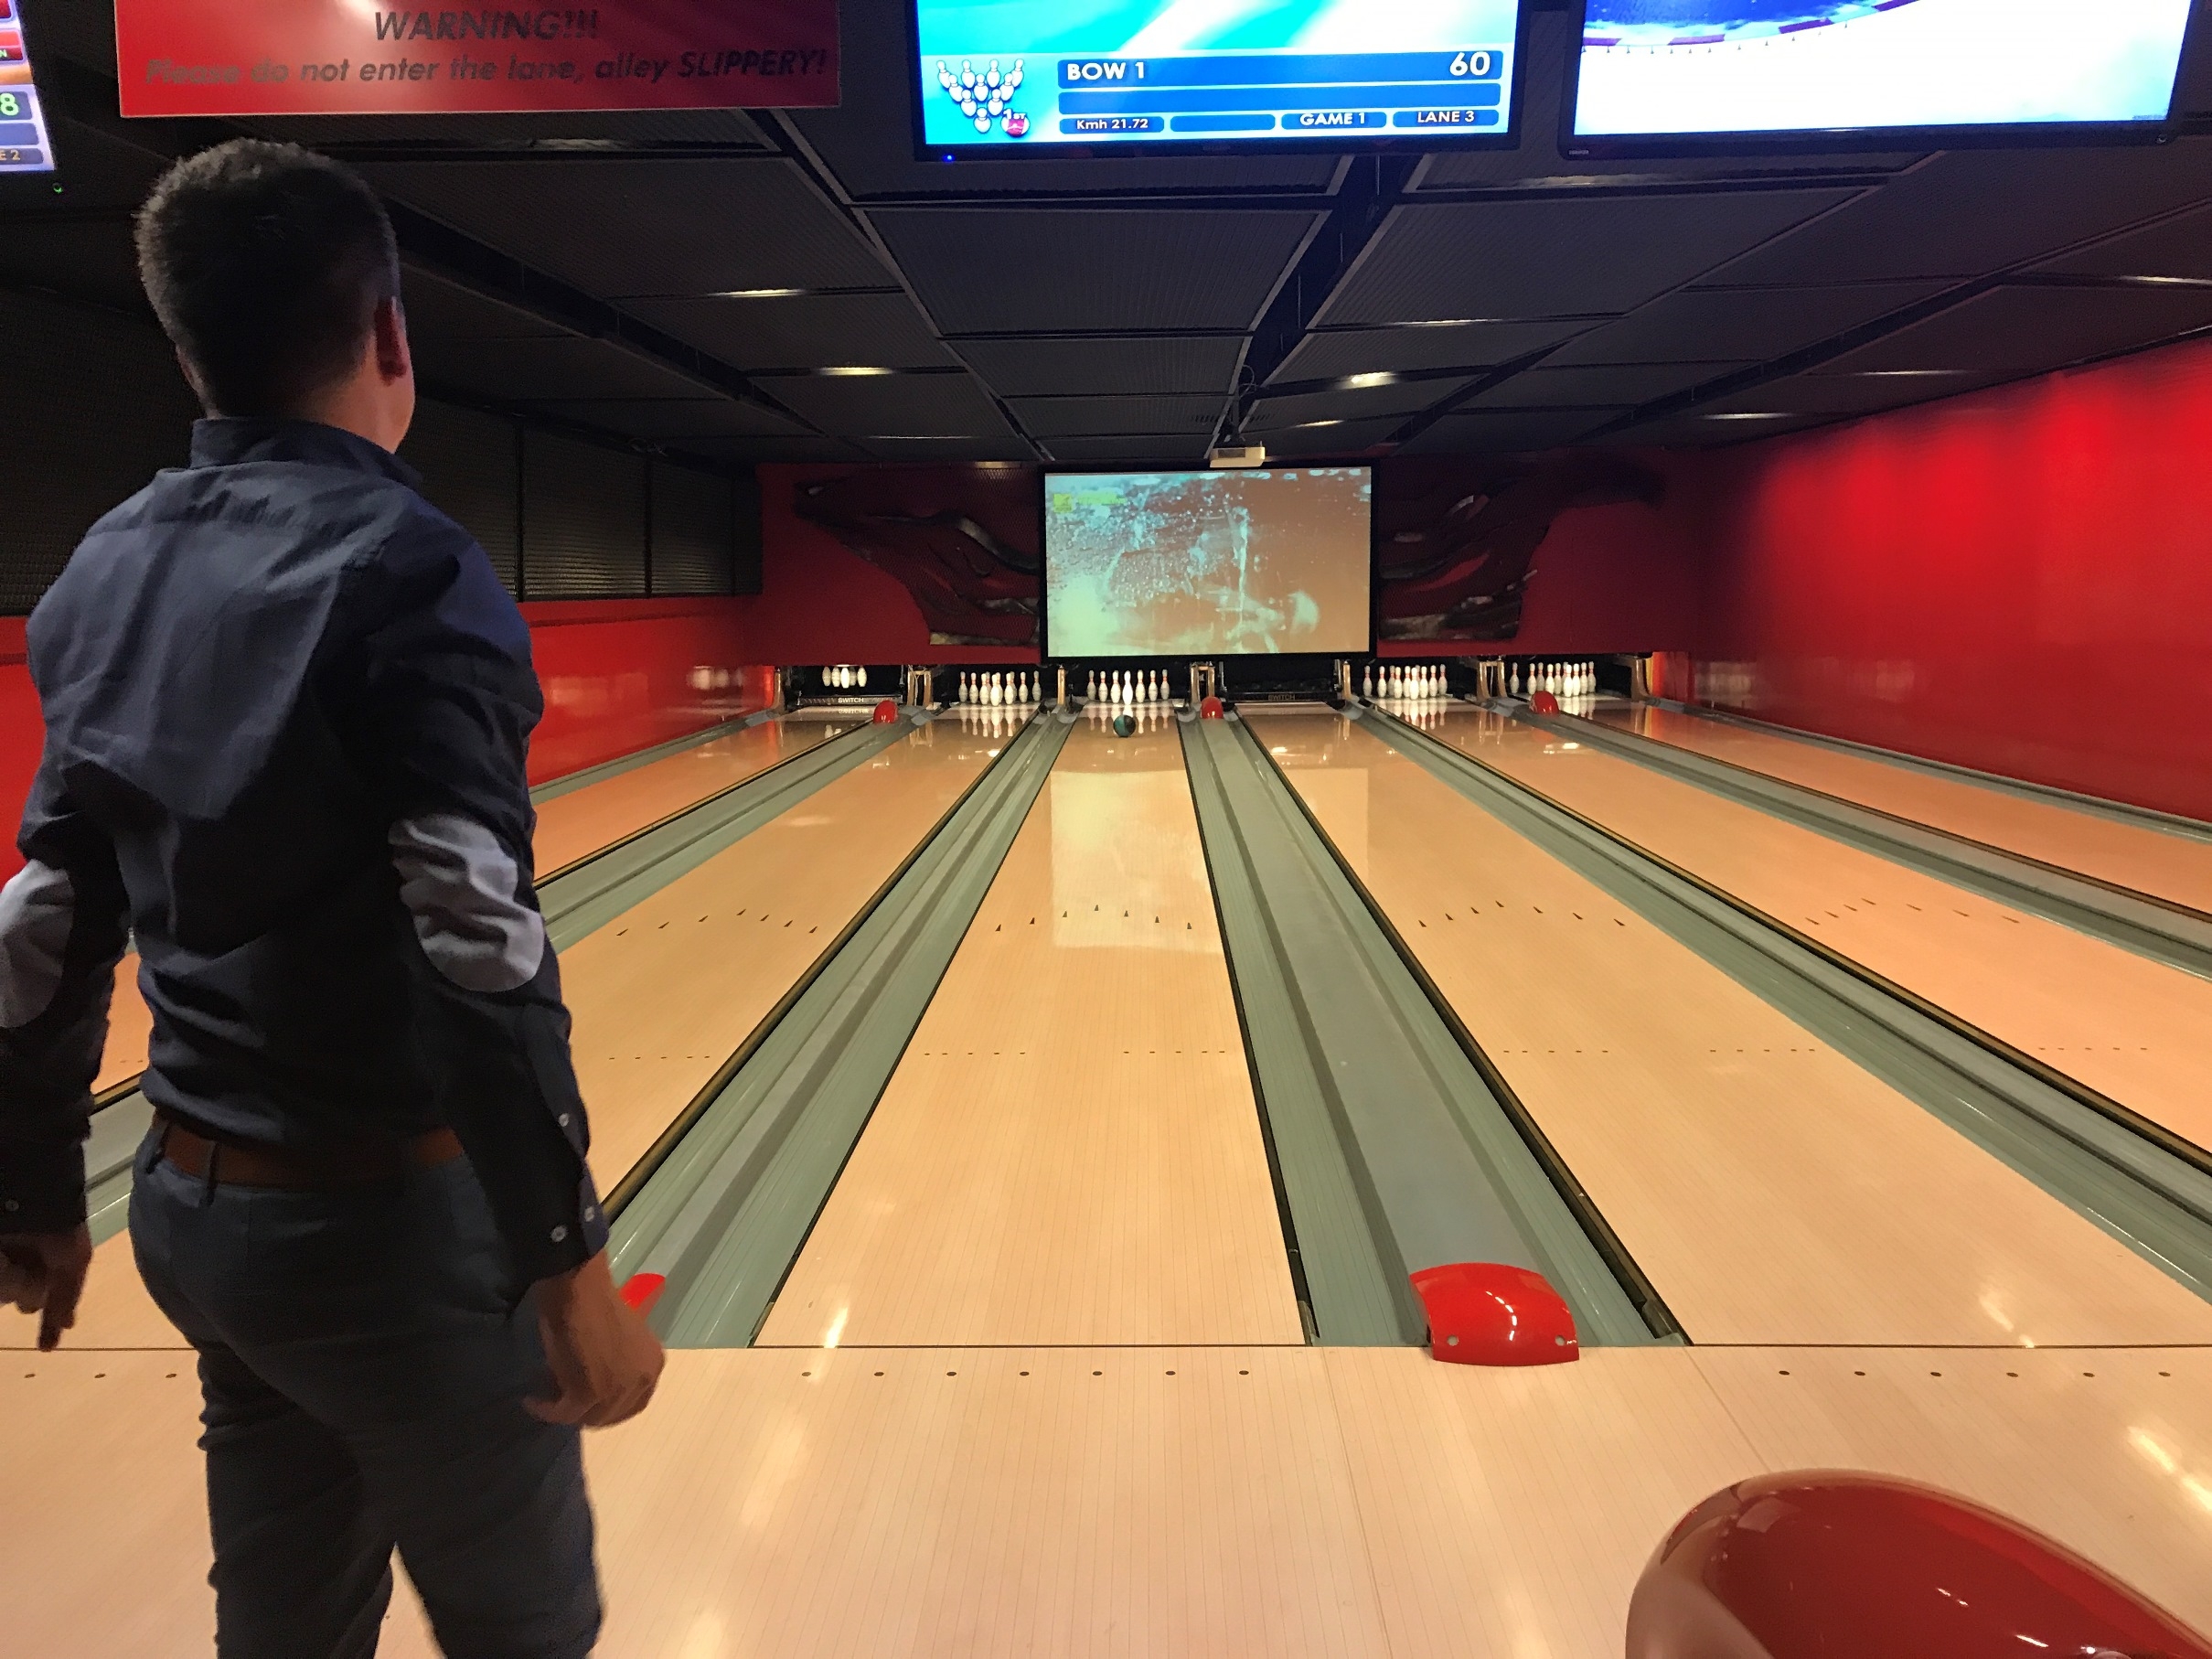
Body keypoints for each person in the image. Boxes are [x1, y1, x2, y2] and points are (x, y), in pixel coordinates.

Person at [0, 139, 662, 1657]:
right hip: (390, 1235)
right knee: (525, 1627)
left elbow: (45, 912)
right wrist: (564, 1256)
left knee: (286, 1621)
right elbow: (472, 935)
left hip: (196, 1221)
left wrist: (32, 1175)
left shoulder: (97, 569)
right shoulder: (409, 566)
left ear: (187, 351)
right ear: (389, 336)